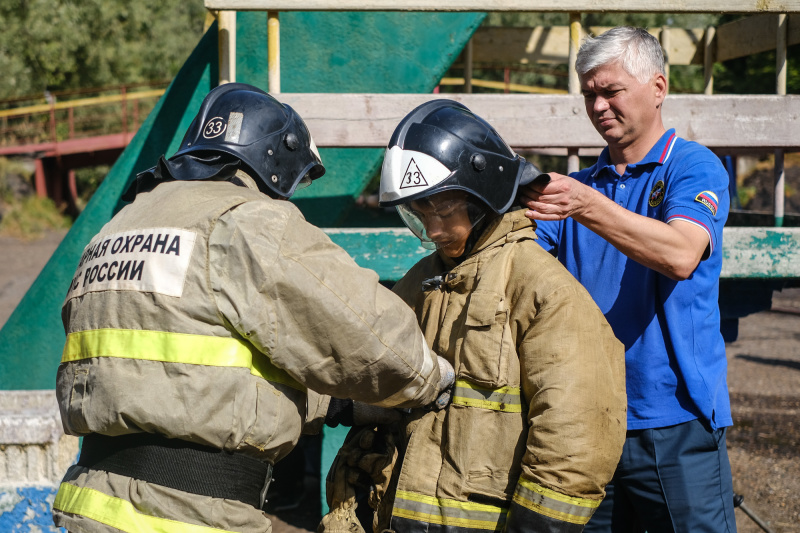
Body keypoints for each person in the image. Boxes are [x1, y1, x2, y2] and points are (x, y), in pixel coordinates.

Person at [51, 83, 454, 533]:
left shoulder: (117, 228)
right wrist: (428, 377)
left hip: (93, 504)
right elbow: (370, 332)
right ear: (274, 164)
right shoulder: (247, 220)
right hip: (187, 515)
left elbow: (182, 367)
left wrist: (339, 405)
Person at [325, 99, 627, 533]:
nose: (432, 231)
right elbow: (392, 379)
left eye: (443, 210)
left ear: (483, 194)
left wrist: (539, 526)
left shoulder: (542, 289)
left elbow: (577, 432)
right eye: (420, 213)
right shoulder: (419, 282)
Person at [519, 27, 736, 532]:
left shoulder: (692, 167)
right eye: (589, 94)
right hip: (587, 417)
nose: (597, 106)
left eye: (610, 91)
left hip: (674, 420)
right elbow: (524, 261)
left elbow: (681, 254)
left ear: (657, 88)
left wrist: (588, 206)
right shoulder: (582, 187)